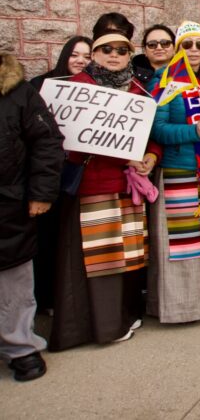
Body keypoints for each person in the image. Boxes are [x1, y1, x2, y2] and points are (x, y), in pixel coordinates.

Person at [49, 32, 161, 350]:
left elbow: (151, 134)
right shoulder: (79, 88)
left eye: (122, 50)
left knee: (129, 257)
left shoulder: (138, 90)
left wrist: (151, 155)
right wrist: (125, 154)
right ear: (95, 54)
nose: (114, 55)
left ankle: (124, 316)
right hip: (94, 187)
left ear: (130, 56)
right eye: (107, 50)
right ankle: (101, 326)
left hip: (128, 188)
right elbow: (66, 140)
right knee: (103, 260)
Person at [148, 21, 200, 324]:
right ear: (178, 48)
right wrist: (192, 131)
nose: (194, 50)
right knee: (185, 241)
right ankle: (184, 306)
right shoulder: (166, 79)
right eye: (187, 44)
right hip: (180, 168)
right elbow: (157, 128)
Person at [0, 53, 63, 381]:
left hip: (9, 203)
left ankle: (20, 347)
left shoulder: (20, 93)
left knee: (13, 281)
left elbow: (47, 142)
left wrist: (41, 193)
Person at [28, 34, 90, 312]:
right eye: (75, 54)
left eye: (87, 56)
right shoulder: (40, 85)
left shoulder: (95, 89)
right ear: (65, 55)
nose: (80, 60)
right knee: (46, 238)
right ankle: (44, 299)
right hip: (49, 175)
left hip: (79, 173)